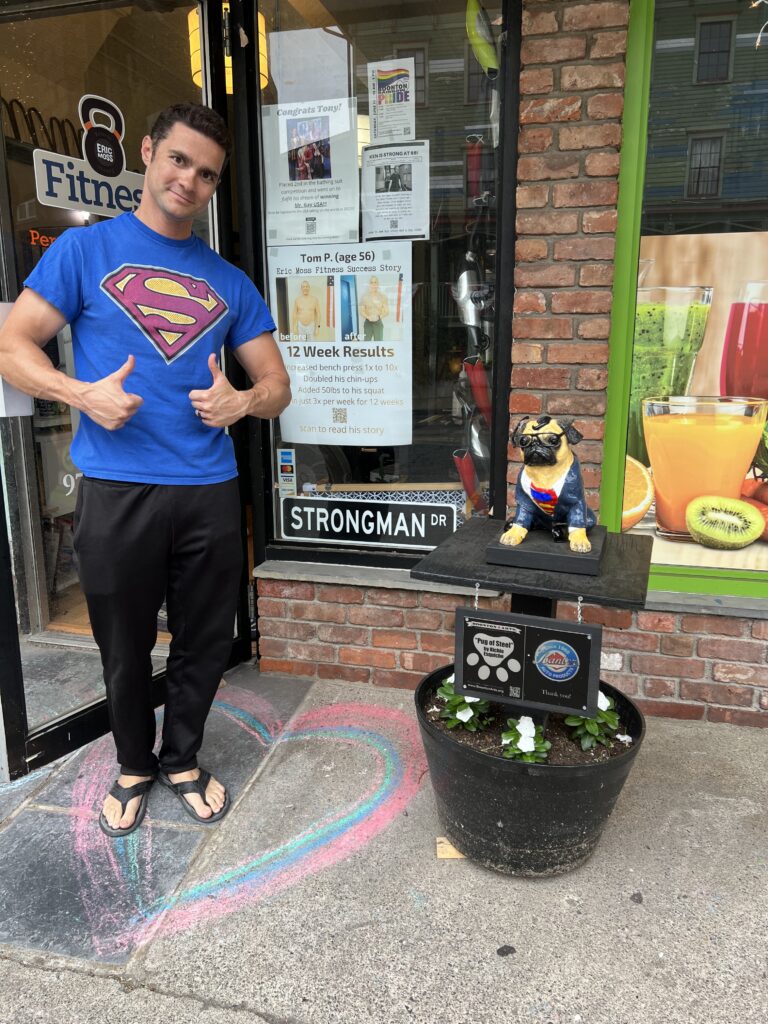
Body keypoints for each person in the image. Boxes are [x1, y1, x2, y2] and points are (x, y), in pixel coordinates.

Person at [0, 102, 291, 837]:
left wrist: (242, 400)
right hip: (117, 488)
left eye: (206, 173)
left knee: (205, 638)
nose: (189, 180)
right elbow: (12, 347)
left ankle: (183, 757)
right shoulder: (83, 254)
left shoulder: (230, 281)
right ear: (148, 152)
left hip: (208, 491)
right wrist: (78, 393)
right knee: (122, 642)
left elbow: (277, 385)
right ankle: (134, 763)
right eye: (179, 160)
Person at [359, 276, 390, 342]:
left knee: (379, 342)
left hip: (378, 322)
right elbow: (361, 311)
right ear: (369, 284)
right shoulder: (364, 297)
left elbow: (387, 311)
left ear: (378, 284)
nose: (373, 284)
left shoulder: (383, 297)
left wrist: (378, 317)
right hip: (368, 322)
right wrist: (368, 317)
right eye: (371, 282)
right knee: (366, 342)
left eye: (375, 282)